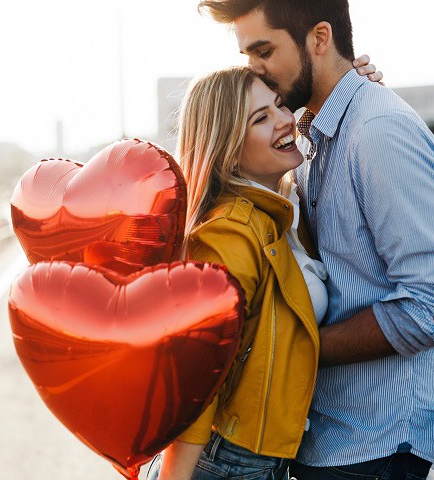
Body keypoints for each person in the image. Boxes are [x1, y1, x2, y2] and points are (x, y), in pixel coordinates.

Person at [197, 1, 434, 479]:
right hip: (321, 435)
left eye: (264, 51)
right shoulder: (313, 136)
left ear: (319, 38)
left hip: (374, 445)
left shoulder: (378, 131)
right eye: (248, 57)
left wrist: (292, 349)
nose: (256, 70)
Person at [147, 56, 382, 480]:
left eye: (280, 104)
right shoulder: (230, 235)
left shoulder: (281, 208)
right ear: (228, 149)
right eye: (261, 117)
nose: (284, 120)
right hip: (226, 464)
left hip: (262, 460)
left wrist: (352, 95)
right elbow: (199, 377)